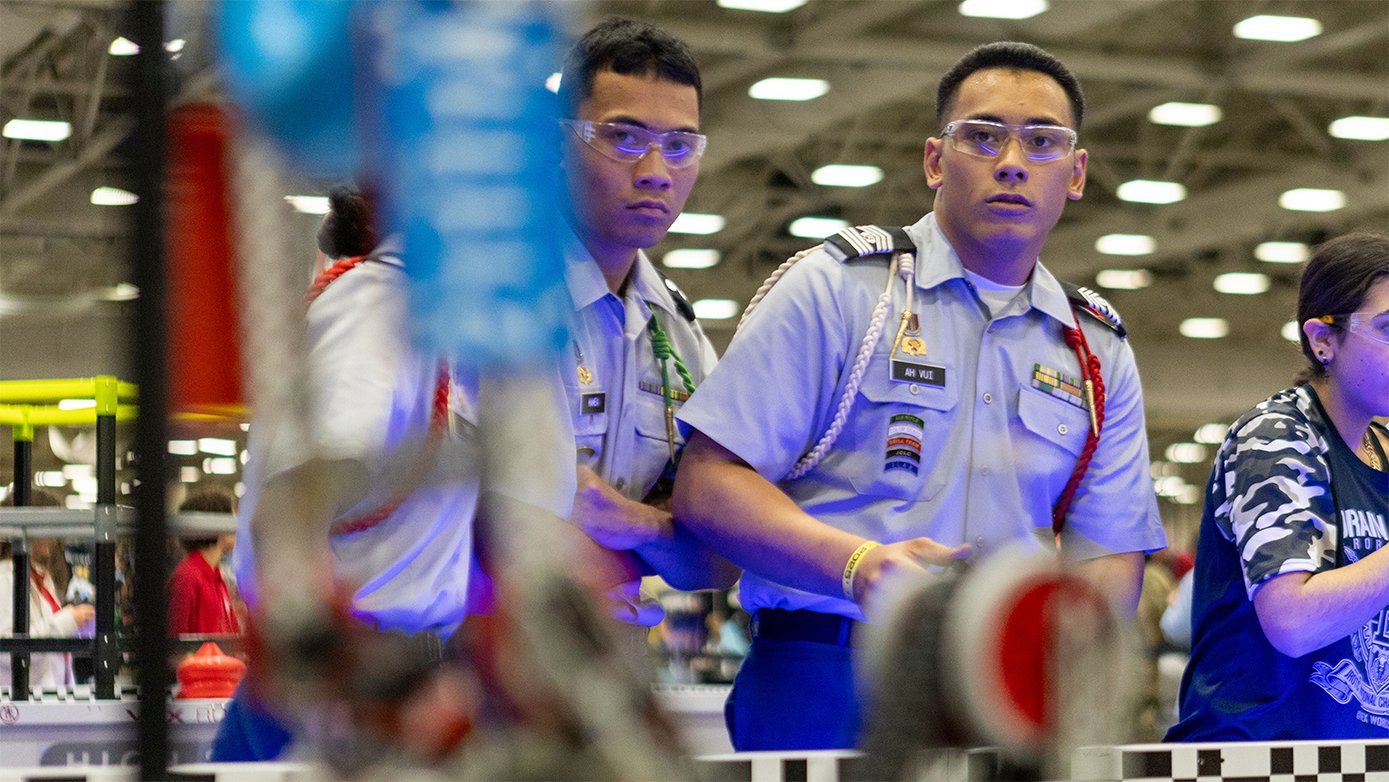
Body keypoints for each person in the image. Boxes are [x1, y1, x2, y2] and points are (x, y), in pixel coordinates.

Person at [672, 41, 1166, 750]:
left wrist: (1063, 658)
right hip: (826, 662)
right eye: (983, 136)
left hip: (1000, 683)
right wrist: (857, 565)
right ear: (935, 159)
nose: (1012, 161)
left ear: (1076, 172)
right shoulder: (839, 289)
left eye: (1042, 141)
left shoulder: (1095, 350)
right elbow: (708, 485)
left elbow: (1109, 550)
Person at [213, 186, 571, 762]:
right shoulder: (380, 305)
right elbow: (291, 508)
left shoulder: (445, 319)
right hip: (346, 698)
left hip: (392, 682)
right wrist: (339, 698)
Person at [553, 17, 737, 628]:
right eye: (624, 139)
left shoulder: (678, 335)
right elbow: (472, 511)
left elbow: (716, 558)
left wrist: (632, 520)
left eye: (680, 146)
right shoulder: (492, 303)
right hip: (454, 652)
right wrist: (663, 527)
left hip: (603, 652)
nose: (656, 170)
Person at [1168, 232, 1389, 741]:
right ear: (1322, 339)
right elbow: (1293, 622)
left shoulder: (1382, 449)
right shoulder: (1276, 436)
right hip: (1253, 757)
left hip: (1351, 756)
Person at [1, 491, 96, 689]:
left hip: (48, 702)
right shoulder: (5, 579)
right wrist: (67, 620)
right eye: (49, 526)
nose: (54, 539)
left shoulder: (41, 578)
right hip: (21, 707)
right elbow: (8, 653)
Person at [168, 487, 240, 636]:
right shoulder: (186, 578)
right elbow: (175, 648)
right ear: (215, 525)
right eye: (231, 519)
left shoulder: (217, 578)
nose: (236, 527)